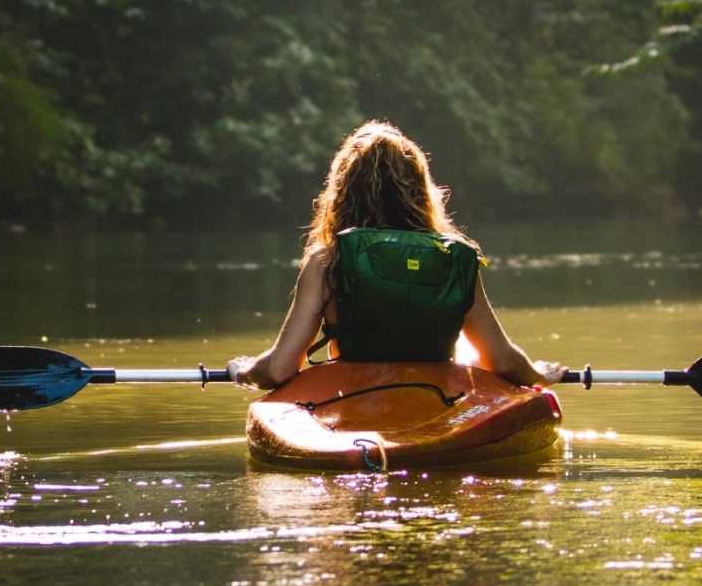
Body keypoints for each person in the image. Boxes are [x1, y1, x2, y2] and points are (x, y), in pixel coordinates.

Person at [229, 121, 563, 390]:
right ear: (420, 191)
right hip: (436, 399)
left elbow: (278, 370)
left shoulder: (327, 263)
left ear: (342, 193)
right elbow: (501, 360)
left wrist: (244, 370)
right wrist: (537, 375)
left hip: (350, 397)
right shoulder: (453, 260)